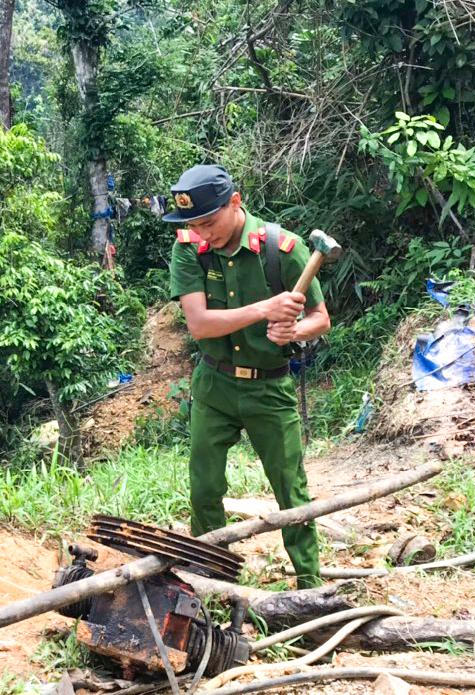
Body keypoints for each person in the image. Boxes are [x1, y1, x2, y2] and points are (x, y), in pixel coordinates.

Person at [164, 164, 331, 589]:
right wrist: (265, 310)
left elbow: (320, 319)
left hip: (269, 386)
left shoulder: (282, 249)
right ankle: (210, 580)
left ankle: (310, 586)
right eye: (193, 224)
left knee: (290, 490)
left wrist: (294, 330)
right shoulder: (189, 248)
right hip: (213, 386)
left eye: (208, 222)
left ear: (235, 202)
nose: (202, 232)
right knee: (204, 488)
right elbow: (199, 324)